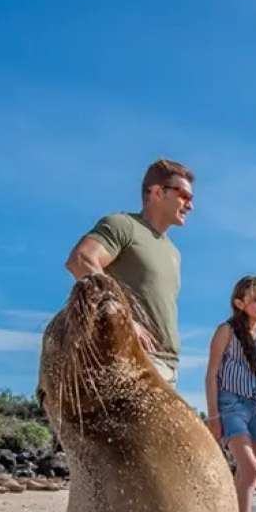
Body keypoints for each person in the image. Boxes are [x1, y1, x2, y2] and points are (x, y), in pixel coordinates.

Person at [64, 159, 194, 384]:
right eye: (184, 195)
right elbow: (81, 260)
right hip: (132, 359)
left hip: (168, 366)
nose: (190, 205)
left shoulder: (174, 252)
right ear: (157, 192)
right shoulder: (123, 225)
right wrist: (123, 318)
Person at [204, 276, 256, 512]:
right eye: (255, 299)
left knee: (244, 478)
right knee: (251, 471)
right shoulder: (226, 331)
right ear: (239, 303)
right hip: (230, 405)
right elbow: (211, 374)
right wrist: (213, 416)